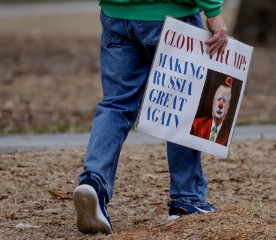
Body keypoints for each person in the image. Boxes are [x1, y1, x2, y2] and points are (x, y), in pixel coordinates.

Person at [73, 0, 228, 234]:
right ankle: (187, 198)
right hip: (174, 14)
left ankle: (94, 181)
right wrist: (213, 10)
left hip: (117, 15)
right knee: (182, 104)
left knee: (116, 104)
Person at [191, 77, 233, 146]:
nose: (220, 105)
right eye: (219, 99)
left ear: (228, 108)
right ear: (213, 103)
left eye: (224, 101)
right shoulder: (196, 125)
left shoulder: (228, 135)